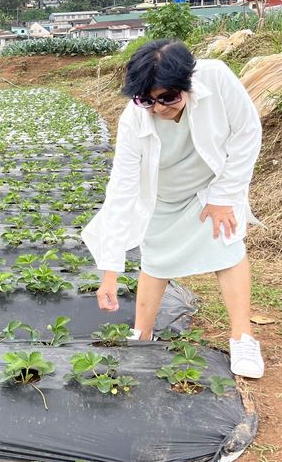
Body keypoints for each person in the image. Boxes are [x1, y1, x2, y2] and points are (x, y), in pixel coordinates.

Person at [81, 39, 264, 379]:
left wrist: (223, 196)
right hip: (163, 193)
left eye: (168, 97)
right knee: (156, 258)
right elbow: (121, 188)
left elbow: (247, 133)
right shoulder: (134, 119)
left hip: (211, 186)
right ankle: (143, 335)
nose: (158, 108)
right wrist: (109, 270)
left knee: (227, 248)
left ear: (187, 83)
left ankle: (243, 337)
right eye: (146, 100)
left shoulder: (217, 78)